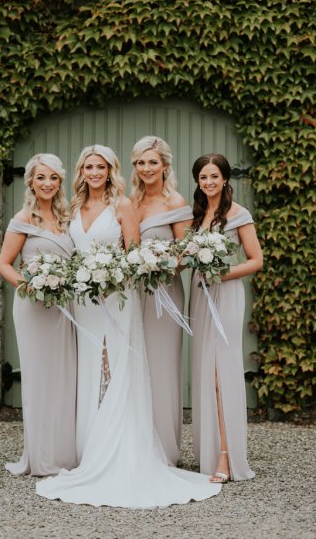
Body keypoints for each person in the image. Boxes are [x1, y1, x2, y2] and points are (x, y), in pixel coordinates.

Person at [36, 145, 221, 508]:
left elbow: (133, 253)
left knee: (116, 365)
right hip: (84, 297)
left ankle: (120, 445)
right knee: (91, 367)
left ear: (111, 170)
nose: (94, 172)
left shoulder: (122, 205)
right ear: (81, 171)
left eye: (100, 167)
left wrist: (111, 274)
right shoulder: (73, 207)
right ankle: (89, 447)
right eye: (88, 166)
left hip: (117, 295)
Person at [0, 154, 77, 476]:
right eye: (41, 177)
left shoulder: (67, 216)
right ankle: (41, 457)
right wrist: (31, 285)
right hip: (33, 307)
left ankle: (65, 454)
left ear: (60, 182)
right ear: (30, 180)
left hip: (64, 307)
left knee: (65, 376)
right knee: (39, 377)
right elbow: (4, 264)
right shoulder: (23, 218)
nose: (47, 184)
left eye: (53, 178)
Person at [189, 153, 263, 483]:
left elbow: (256, 260)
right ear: (198, 181)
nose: (208, 182)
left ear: (225, 179)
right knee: (206, 372)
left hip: (226, 294)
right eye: (203, 177)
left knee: (222, 374)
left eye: (214, 177)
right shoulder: (196, 215)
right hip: (201, 297)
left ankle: (227, 457)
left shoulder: (238, 214)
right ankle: (210, 450)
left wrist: (224, 273)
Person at [130, 136, 192, 466]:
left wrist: (160, 264)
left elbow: (185, 252)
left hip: (166, 291)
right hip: (135, 292)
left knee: (163, 367)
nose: (147, 168)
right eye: (141, 162)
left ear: (165, 165)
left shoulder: (175, 201)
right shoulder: (131, 202)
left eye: (153, 162)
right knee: (137, 365)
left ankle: (166, 450)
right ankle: (139, 445)